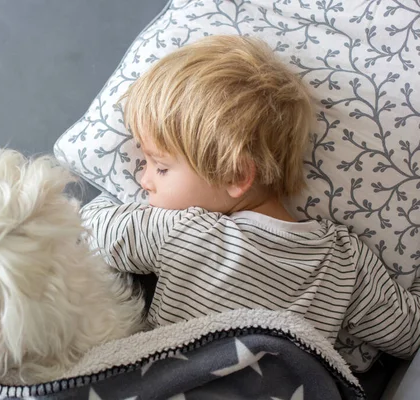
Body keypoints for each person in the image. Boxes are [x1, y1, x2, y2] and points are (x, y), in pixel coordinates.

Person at [80, 35, 420, 359]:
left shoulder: (183, 232)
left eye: (161, 167)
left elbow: (87, 228)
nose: (143, 179)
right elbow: (409, 333)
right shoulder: (345, 262)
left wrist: (110, 193)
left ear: (237, 175)